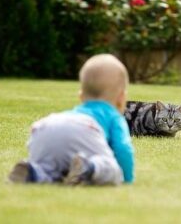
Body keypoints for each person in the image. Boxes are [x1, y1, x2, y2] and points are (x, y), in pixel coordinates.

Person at [8, 54, 134, 185]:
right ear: (121, 98)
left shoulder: (79, 113)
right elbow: (122, 149)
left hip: (45, 126)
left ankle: (34, 171)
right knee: (111, 168)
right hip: (85, 128)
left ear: (81, 96)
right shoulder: (113, 116)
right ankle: (88, 167)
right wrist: (127, 178)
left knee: (52, 170)